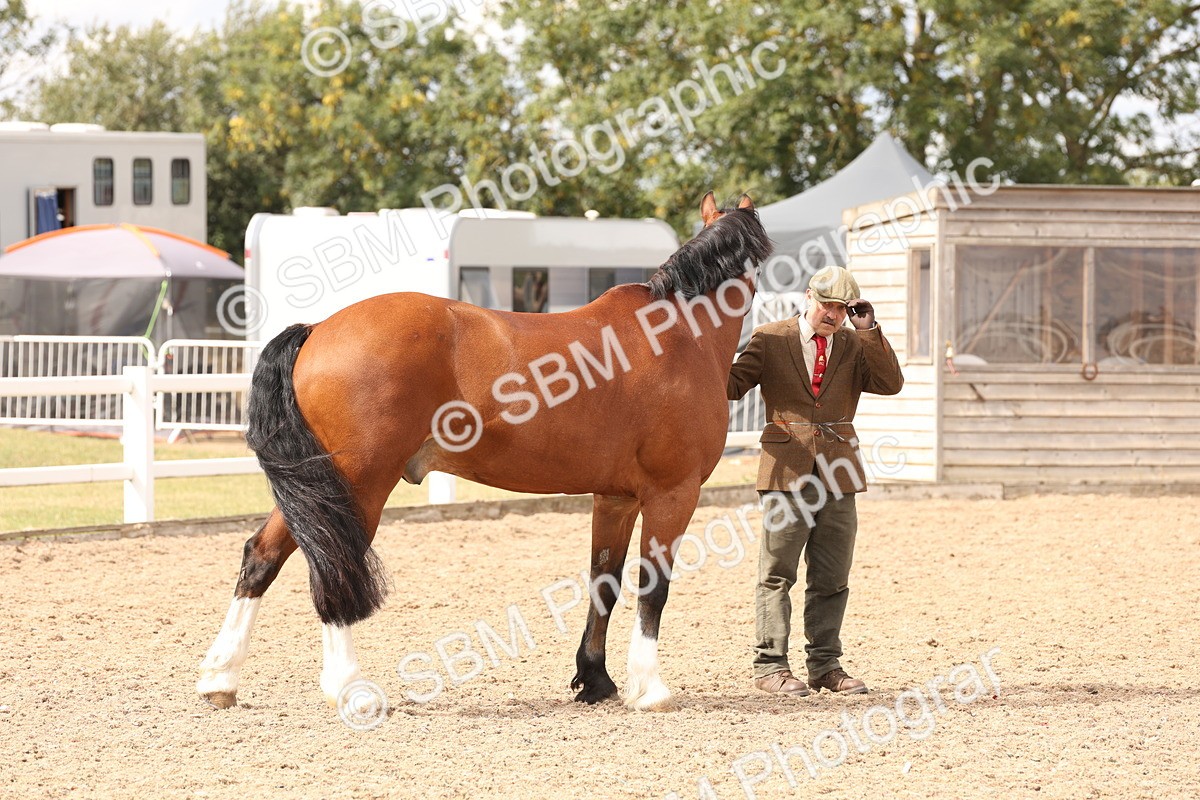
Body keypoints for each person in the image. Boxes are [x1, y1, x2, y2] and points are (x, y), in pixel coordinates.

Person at [728, 265, 904, 696]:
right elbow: (732, 386)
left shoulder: (854, 341)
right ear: (808, 296)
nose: (833, 314)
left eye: (842, 308)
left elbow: (890, 383)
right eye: (826, 304)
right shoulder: (771, 337)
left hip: (840, 473)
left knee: (832, 576)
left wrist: (870, 329)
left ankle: (825, 666)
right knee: (777, 573)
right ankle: (770, 666)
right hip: (785, 469)